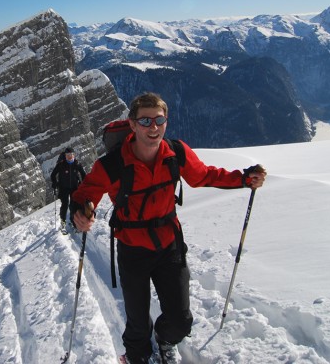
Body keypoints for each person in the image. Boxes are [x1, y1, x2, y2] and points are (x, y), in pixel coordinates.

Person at [70, 93, 266, 364]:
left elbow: (204, 175)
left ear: (166, 121)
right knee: (137, 322)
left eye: (159, 120)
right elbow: (85, 193)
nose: (153, 127)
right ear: (133, 124)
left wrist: (243, 179)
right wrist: (80, 212)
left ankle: (165, 340)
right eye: (146, 120)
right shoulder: (112, 165)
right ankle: (136, 357)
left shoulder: (176, 153)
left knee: (181, 319)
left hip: (168, 244)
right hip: (132, 247)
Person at [50, 147, 87, 229]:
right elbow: (53, 175)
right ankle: (63, 222)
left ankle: (73, 222)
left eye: (71, 155)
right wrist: (55, 183)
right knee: (65, 204)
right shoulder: (61, 165)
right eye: (67, 155)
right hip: (63, 188)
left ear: (74, 155)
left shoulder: (77, 164)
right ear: (65, 156)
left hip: (74, 187)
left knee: (74, 205)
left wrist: (83, 183)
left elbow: (83, 174)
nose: (69, 157)